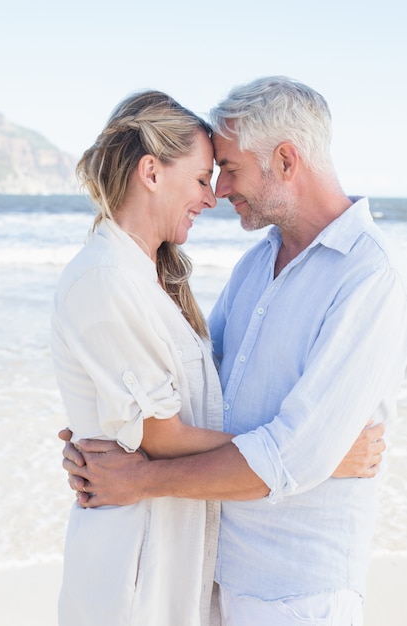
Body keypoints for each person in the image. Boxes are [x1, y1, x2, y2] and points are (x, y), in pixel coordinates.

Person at [60, 77, 405, 625]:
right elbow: (194, 393)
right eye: (207, 174)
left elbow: (294, 458)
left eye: (229, 168)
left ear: (286, 161)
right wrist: (101, 432)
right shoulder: (255, 266)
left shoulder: (369, 276)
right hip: (214, 575)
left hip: (296, 590)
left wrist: (139, 477)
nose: (218, 190)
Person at [51, 90, 241, 626]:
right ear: (151, 172)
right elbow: (162, 437)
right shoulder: (104, 277)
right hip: (133, 573)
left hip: (171, 555)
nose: (213, 197)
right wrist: (302, 456)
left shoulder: (150, 278)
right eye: (203, 178)